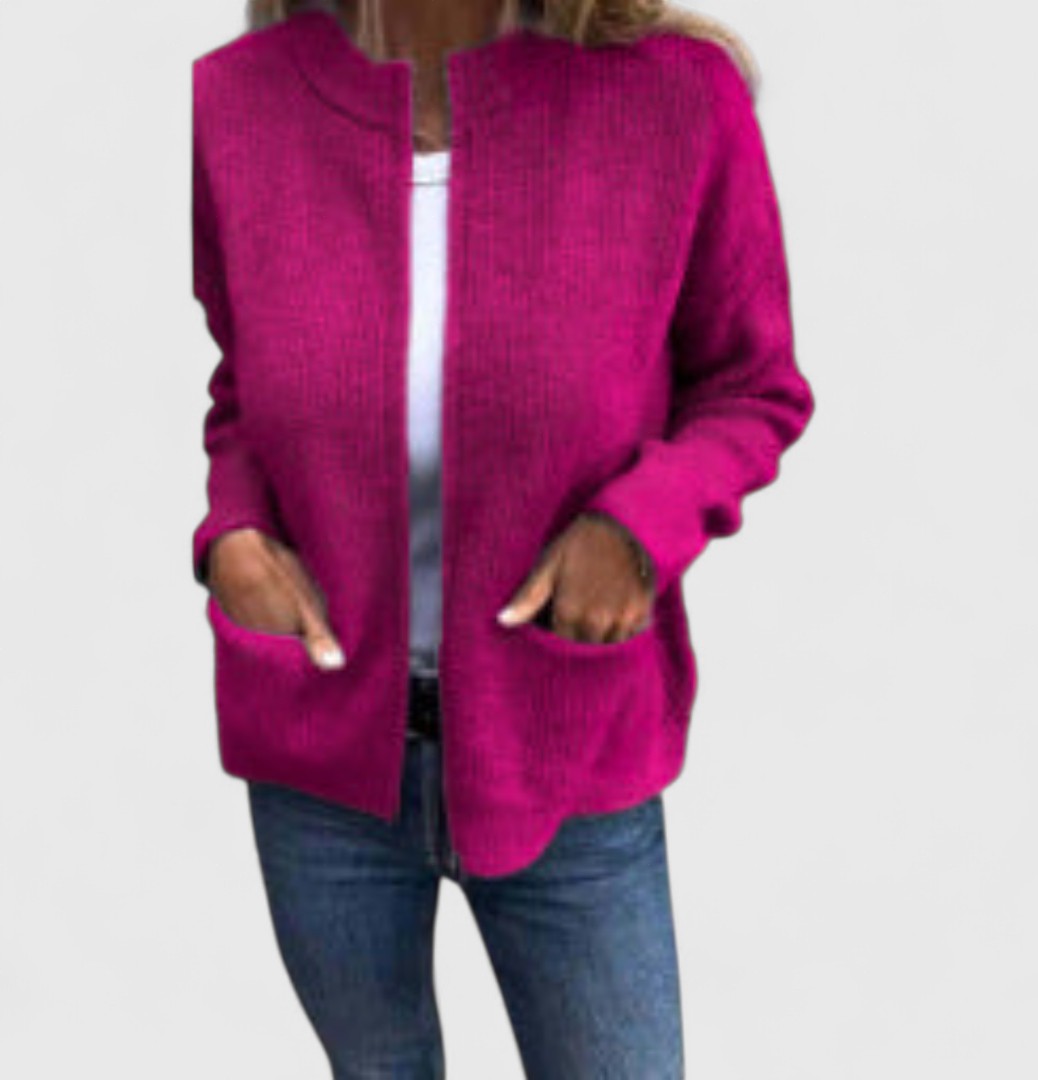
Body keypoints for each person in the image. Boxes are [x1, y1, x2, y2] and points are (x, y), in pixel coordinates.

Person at [190, 0, 815, 1074]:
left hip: (566, 744)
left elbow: (752, 387)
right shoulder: (240, 102)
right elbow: (244, 393)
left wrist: (640, 527)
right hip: (317, 758)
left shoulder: (677, 99)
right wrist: (233, 535)